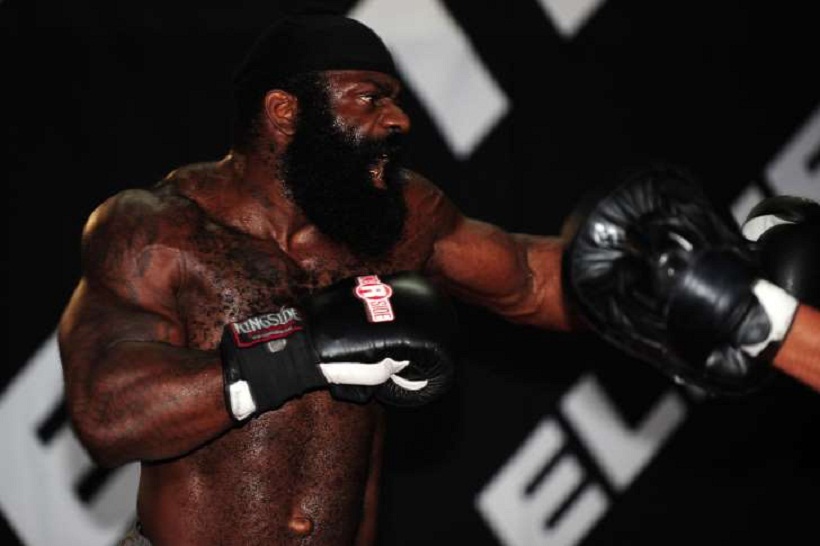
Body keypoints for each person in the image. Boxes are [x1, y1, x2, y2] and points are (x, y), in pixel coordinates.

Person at [57, 11, 820, 546]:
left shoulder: (398, 219)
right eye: (370, 99)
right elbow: (105, 413)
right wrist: (299, 349)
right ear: (285, 113)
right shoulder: (157, 229)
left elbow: (532, 280)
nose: (398, 122)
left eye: (397, 101)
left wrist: (690, 277)